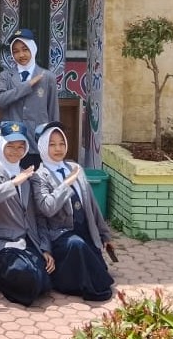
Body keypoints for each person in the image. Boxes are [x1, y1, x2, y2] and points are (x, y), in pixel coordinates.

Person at [30, 121, 114, 301]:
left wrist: (104, 235)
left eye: (62, 143)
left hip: (84, 230)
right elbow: (47, 208)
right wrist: (66, 183)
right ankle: (71, 283)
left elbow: (92, 205)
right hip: (60, 235)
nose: (58, 149)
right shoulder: (39, 177)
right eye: (52, 144)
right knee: (77, 245)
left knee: (98, 266)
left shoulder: (76, 168)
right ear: (43, 147)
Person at [0, 120, 54, 307]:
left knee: (44, 281)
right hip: (2, 244)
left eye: (20, 147)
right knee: (28, 278)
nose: (15, 152)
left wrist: (45, 248)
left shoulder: (28, 175)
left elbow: (38, 217)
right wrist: (13, 183)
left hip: (27, 242)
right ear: (1, 145)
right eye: (10, 146)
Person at [0, 28, 59, 170]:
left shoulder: (47, 77)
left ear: (33, 48)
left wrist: (53, 139)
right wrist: (27, 85)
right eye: (16, 51)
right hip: (12, 141)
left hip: (38, 141)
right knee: (12, 179)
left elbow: (53, 111)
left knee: (37, 179)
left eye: (25, 49)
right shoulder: (6, 76)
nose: (21, 55)